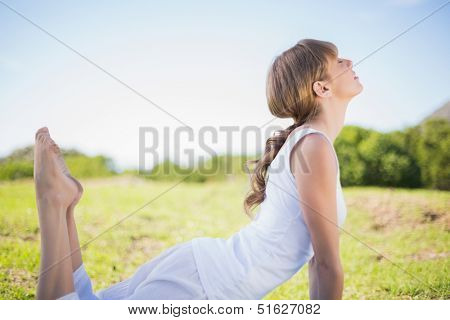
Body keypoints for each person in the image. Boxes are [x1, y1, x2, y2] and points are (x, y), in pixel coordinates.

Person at [34, 38, 363, 300]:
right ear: (322, 88)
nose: (349, 62)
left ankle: (65, 207)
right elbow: (325, 264)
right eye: (338, 61)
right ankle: (51, 203)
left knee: (89, 305)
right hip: (205, 287)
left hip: (202, 273)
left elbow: (316, 263)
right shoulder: (315, 145)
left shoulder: (309, 142)